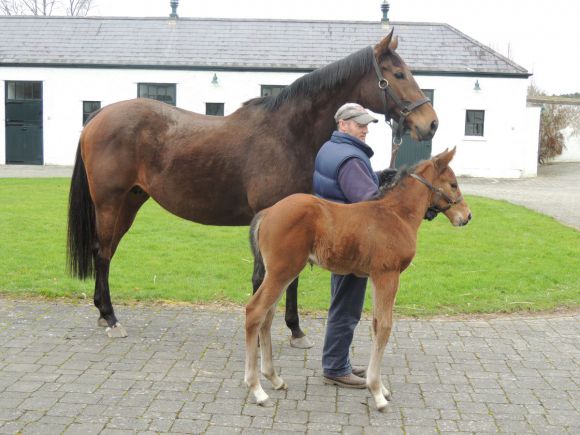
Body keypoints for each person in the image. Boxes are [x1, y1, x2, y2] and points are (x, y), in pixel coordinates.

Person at [313, 102, 380, 388]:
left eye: (366, 124)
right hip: (350, 244)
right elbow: (369, 202)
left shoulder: (330, 148)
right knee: (347, 307)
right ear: (344, 125)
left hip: (332, 237)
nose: (365, 129)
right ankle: (336, 368)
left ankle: (339, 361)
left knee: (340, 302)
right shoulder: (351, 159)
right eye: (360, 123)